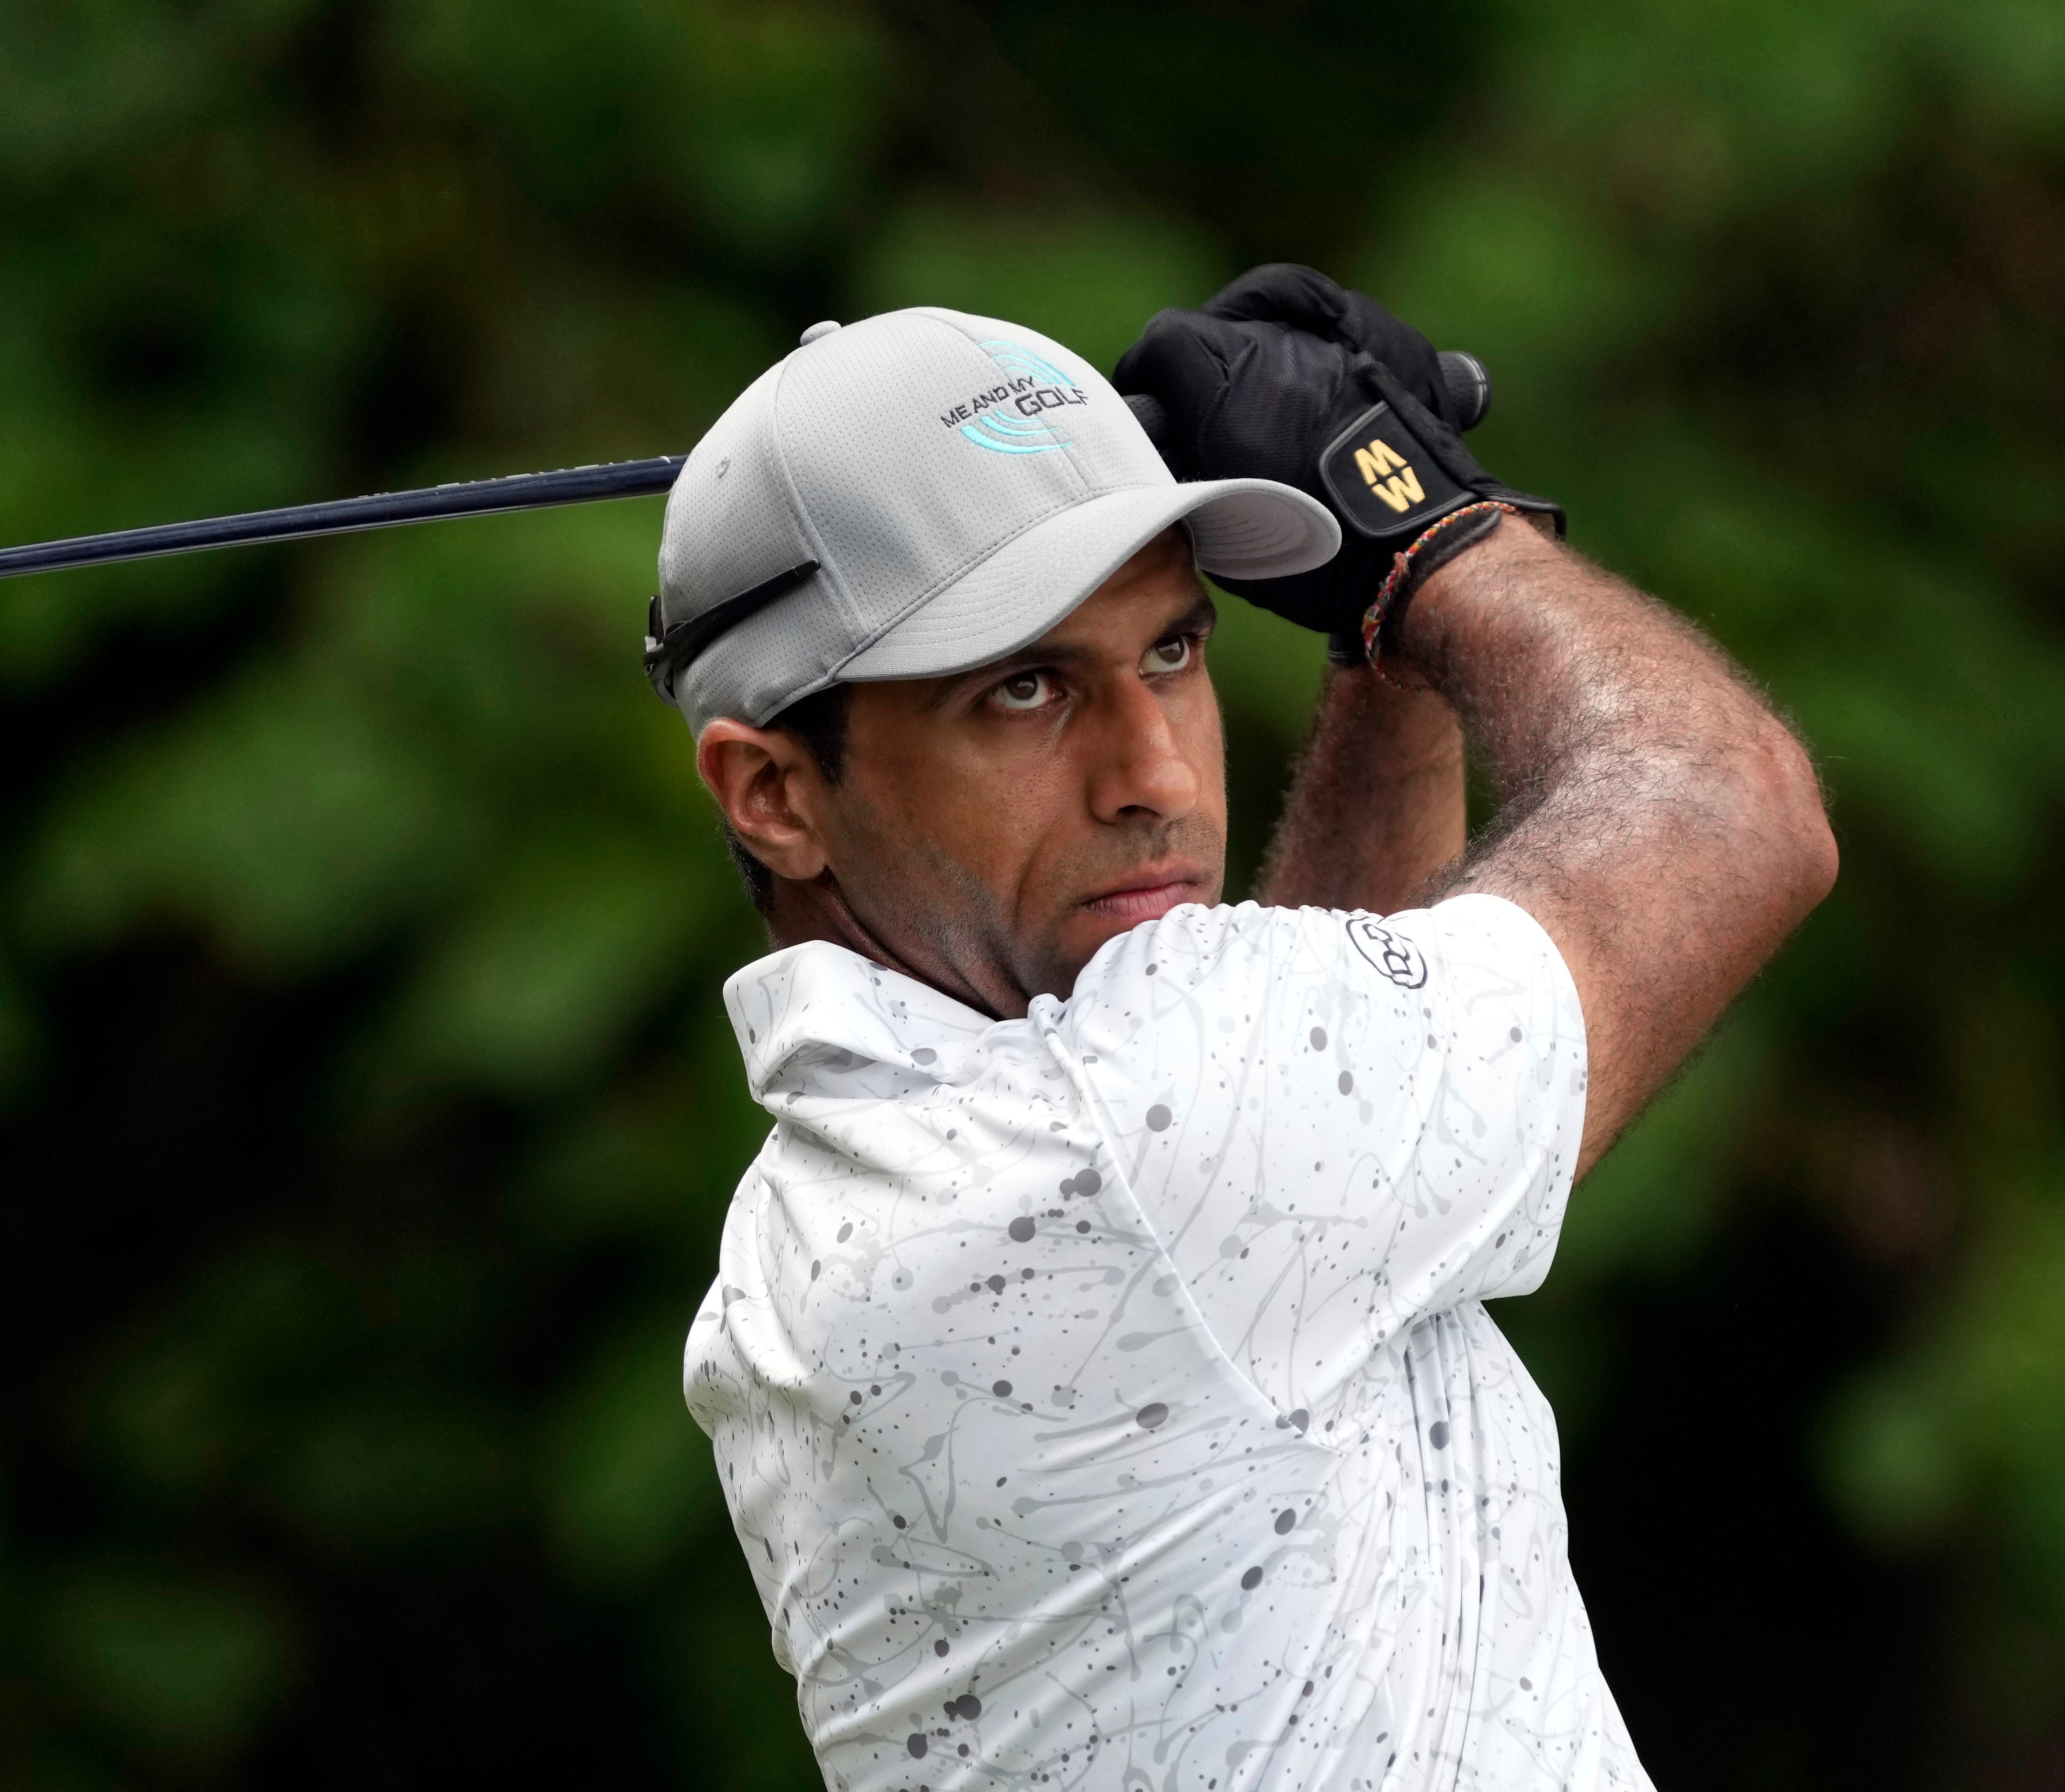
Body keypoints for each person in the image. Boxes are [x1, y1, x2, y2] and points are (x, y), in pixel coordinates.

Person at [652, 274, 1834, 1791]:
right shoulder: (1098, 1151)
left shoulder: (838, 1206)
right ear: (773, 792)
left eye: (1171, 652)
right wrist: (1430, 534)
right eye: (1024, 690)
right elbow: (1728, 810)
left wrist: (1377, 640)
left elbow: (1292, 1101)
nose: (1153, 772)